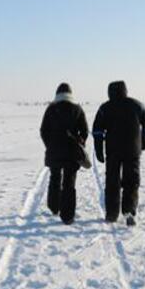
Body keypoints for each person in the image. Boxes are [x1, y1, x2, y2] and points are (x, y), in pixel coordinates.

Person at [92, 81, 145, 226]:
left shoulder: (105, 108)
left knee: (112, 181)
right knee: (131, 180)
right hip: (133, 150)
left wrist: (99, 150)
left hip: (113, 151)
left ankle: (112, 214)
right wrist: (143, 143)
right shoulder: (137, 105)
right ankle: (129, 211)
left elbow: (97, 132)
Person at [40, 83, 89, 224]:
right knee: (69, 182)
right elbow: (84, 131)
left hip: (54, 152)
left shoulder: (51, 109)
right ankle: (67, 216)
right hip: (72, 152)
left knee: (55, 178)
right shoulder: (77, 109)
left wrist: (49, 145)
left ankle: (54, 207)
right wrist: (80, 142)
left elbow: (43, 130)